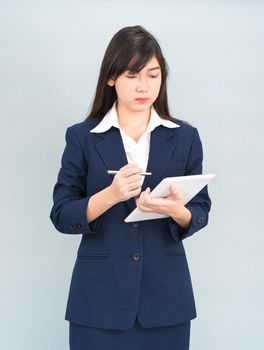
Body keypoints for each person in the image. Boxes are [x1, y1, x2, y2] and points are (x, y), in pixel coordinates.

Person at [49, 25, 212, 350]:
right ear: (111, 78)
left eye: (153, 75)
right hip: (98, 302)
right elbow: (62, 214)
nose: (144, 86)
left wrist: (177, 211)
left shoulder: (184, 136)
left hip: (166, 301)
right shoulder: (82, 137)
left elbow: (201, 211)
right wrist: (111, 195)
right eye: (132, 75)